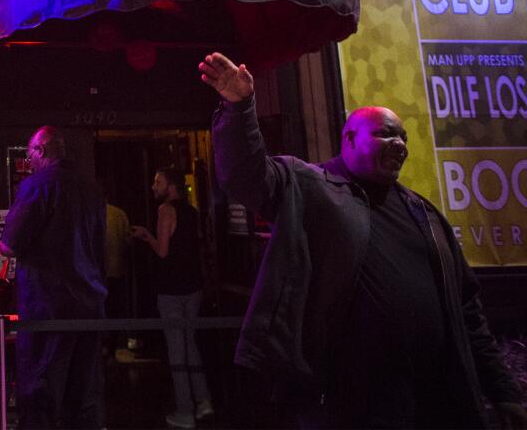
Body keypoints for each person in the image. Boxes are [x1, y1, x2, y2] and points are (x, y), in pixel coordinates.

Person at [200, 51, 526, 429]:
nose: (399, 143)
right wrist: (239, 108)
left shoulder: (425, 214)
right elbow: (246, 174)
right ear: (349, 139)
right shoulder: (312, 187)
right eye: (385, 133)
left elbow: (467, 312)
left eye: (403, 136)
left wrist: (502, 391)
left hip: (437, 403)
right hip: (351, 405)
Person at [0, 126, 107, 429]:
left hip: (48, 306)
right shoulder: (92, 189)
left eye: (31, 153)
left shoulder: (37, 186)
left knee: (41, 390)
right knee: (85, 392)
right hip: (90, 305)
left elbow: (9, 244)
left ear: (42, 151)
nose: (29, 160)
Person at [132, 167, 213, 428]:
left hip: (172, 289)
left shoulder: (165, 210)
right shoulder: (192, 212)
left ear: (171, 186)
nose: (153, 187)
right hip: (194, 286)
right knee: (191, 345)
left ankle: (185, 411)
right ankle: (204, 402)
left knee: (177, 349)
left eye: (158, 182)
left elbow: (163, 251)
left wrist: (146, 236)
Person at [102, 191, 133, 362]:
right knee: (115, 309)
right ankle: (114, 346)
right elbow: (128, 240)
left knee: (103, 310)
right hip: (117, 270)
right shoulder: (119, 214)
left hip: (98, 273)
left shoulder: (92, 213)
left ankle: (104, 346)